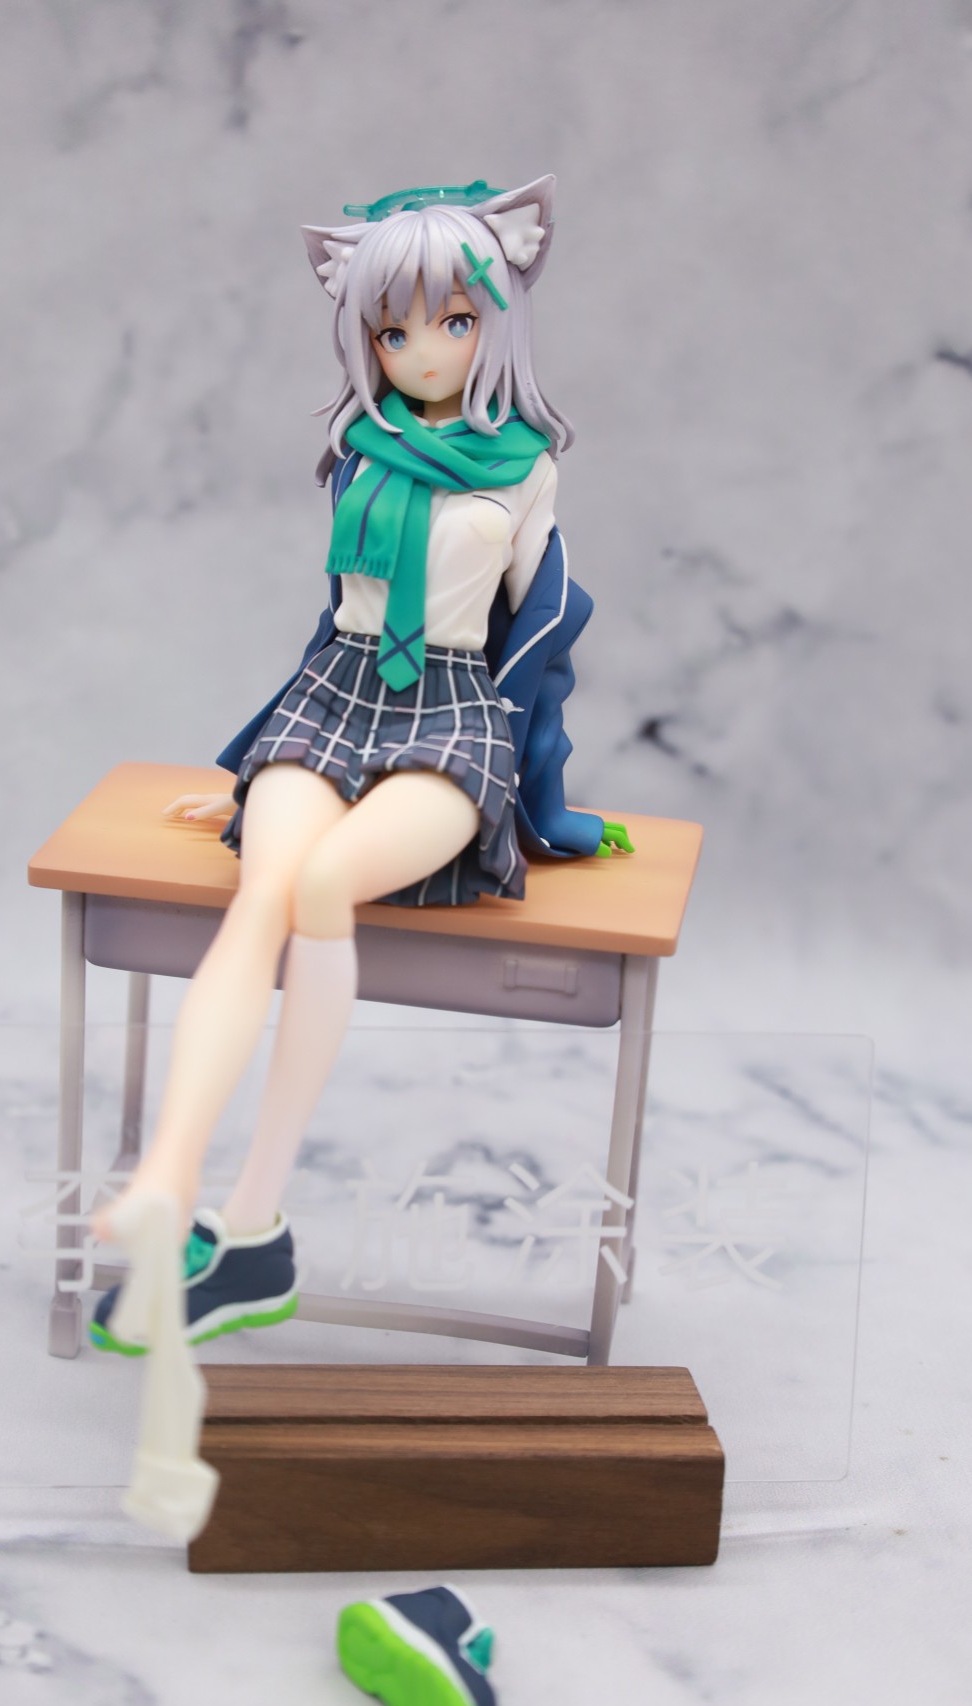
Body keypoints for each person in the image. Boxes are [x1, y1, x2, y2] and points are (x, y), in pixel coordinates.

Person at [90, 176, 624, 1356]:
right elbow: (334, 613)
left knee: (324, 887)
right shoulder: (357, 455)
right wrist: (253, 760)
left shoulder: (526, 469)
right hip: (336, 696)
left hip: (454, 710)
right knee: (264, 890)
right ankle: (171, 1181)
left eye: (454, 320)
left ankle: (253, 1222)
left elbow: (543, 632)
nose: (424, 351)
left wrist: (536, 799)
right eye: (394, 330)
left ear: (495, 324)